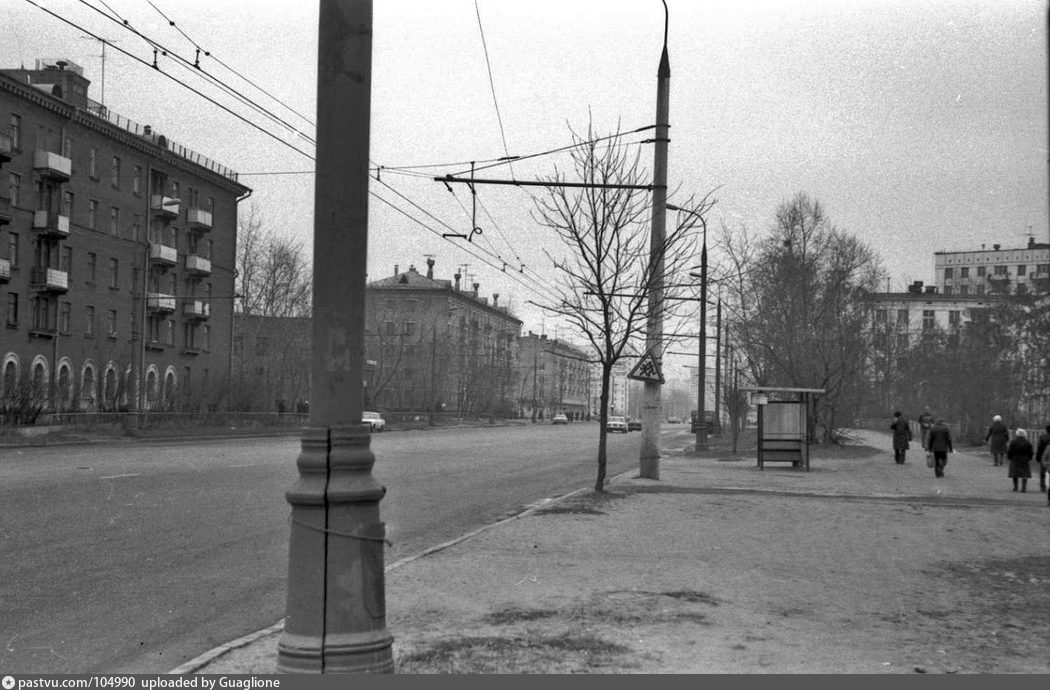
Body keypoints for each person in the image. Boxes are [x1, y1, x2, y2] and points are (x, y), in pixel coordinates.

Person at [1006, 428, 1034, 493]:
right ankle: (1023, 488)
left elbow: (1010, 451)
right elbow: (1030, 452)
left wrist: (1009, 457)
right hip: (1024, 459)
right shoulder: (1027, 442)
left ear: (1017, 434)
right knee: (1024, 474)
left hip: (1015, 458)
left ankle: (1015, 487)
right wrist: (1029, 458)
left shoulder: (1013, 442)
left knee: (1015, 473)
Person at [1036, 424, 1050, 493]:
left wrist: (1038, 457)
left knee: (1042, 472)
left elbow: (1039, 447)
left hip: (1044, 456)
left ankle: (1043, 486)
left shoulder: (1042, 437)